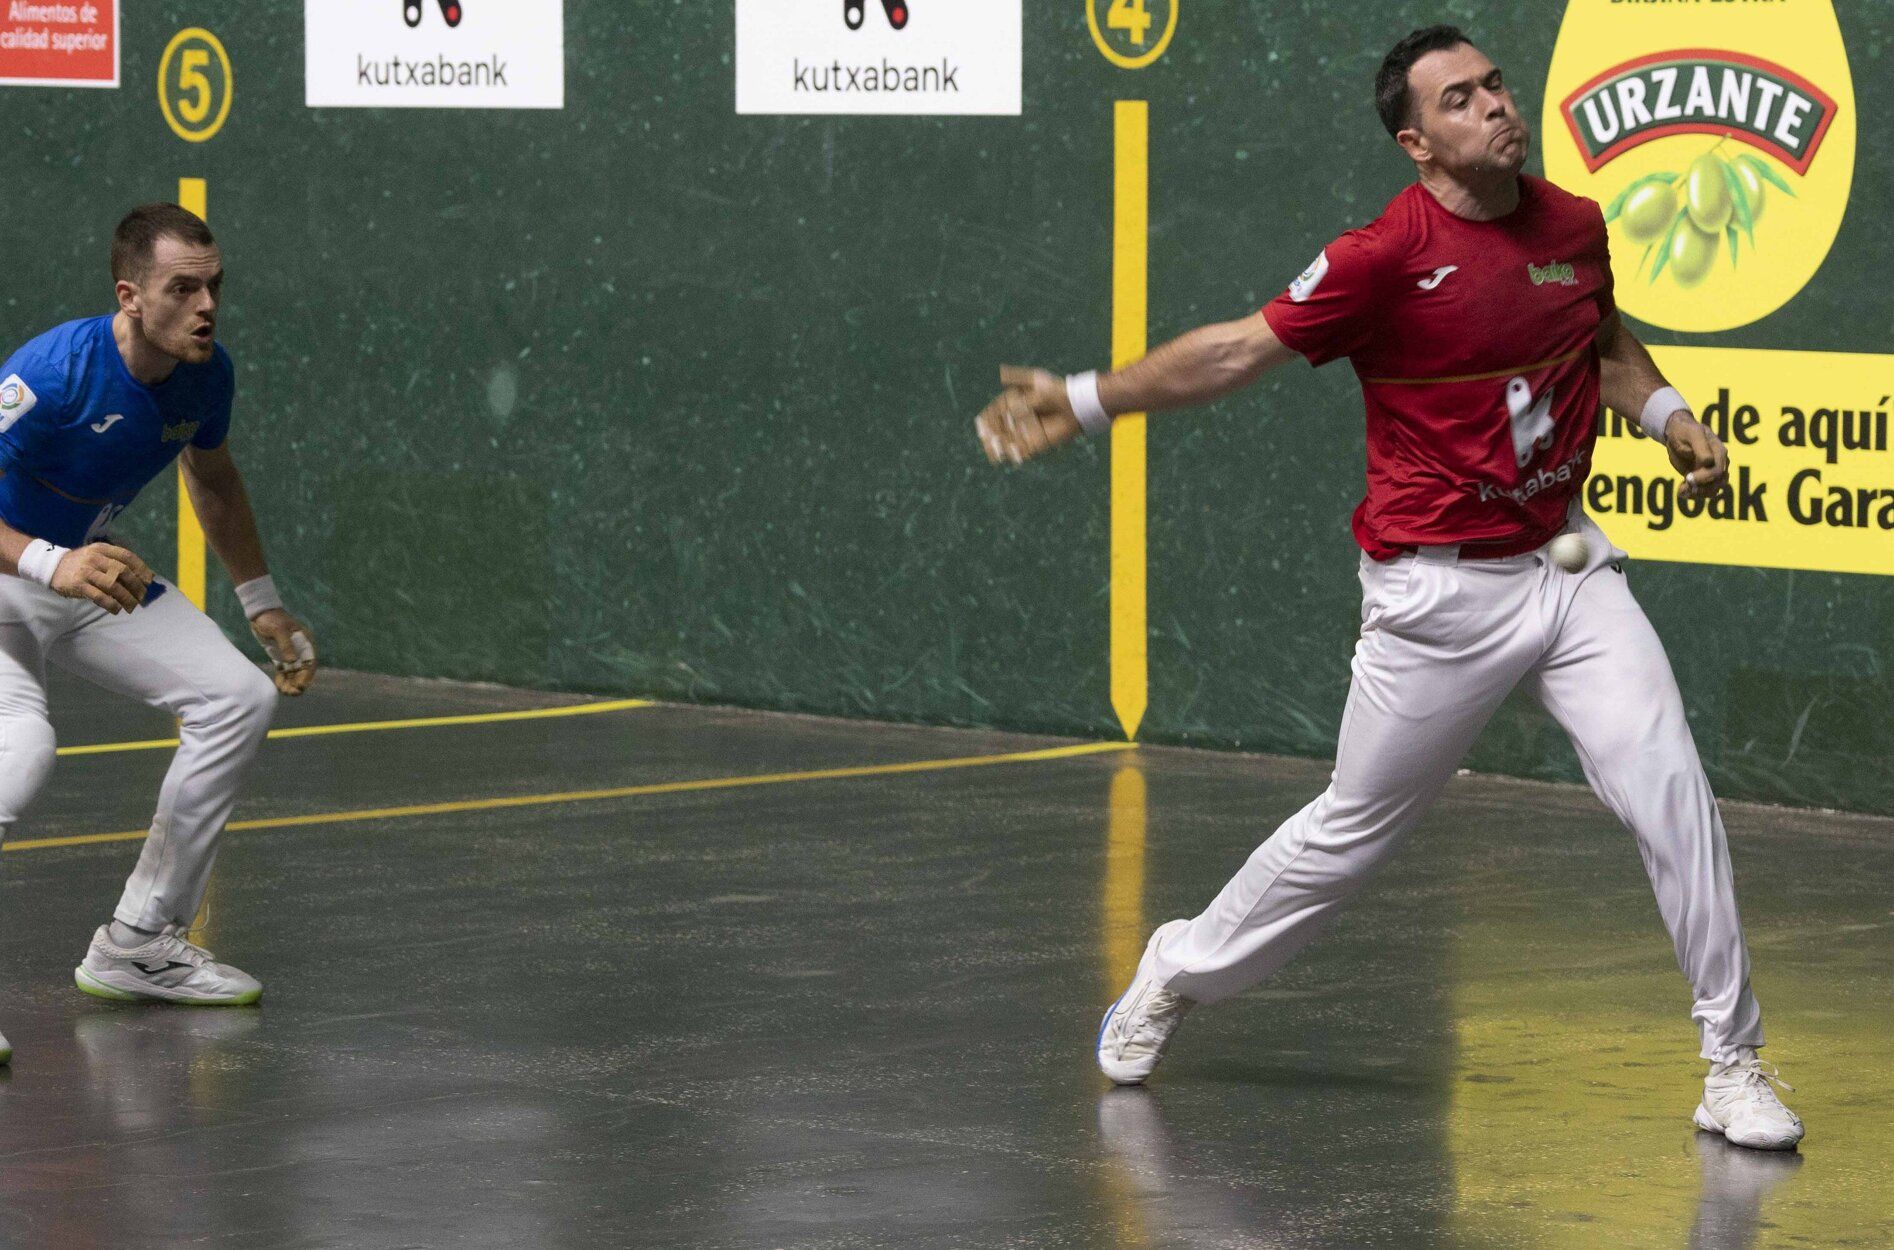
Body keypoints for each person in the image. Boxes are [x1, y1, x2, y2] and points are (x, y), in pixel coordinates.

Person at [974, 27, 1802, 1152]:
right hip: (1436, 599)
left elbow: (1602, 341)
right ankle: (1177, 965)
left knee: (1672, 791)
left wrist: (1670, 416)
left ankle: (1732, 1062)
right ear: (1416, 143)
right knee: (1349, 834)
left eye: (1494, 84)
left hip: (1567, 567)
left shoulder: (1571, 224)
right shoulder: (1380, 259)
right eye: (1460, 100)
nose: (1495, 105)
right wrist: (1086, 399)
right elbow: (1236, 351)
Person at [0, 203, 318, 1062]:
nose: (206, 307)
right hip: (19, 571)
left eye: (214, 287)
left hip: (85, 571)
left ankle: (140, 942)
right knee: (20, 745)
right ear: (131, 296)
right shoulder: (53, 372)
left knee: (236, 697)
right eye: (183, 289)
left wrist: (260, 601)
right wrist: (49, 563)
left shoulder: (205, 377)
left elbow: (212, 478)